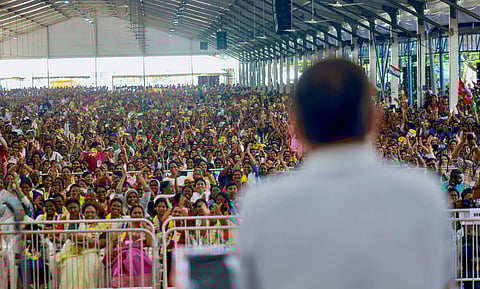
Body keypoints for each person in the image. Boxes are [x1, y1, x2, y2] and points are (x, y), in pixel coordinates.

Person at [239, 59, 453, 289]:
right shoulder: (422, 195)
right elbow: (443, 282)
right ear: (374, 119)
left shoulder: (261, 205)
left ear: (298, 126)